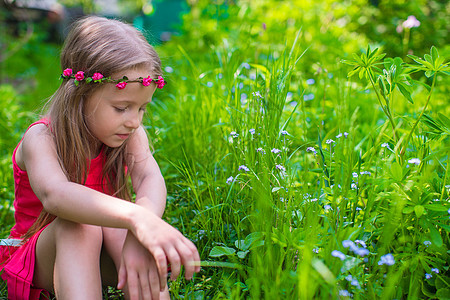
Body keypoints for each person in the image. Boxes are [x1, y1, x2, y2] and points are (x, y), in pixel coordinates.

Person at [0, 15, 200, 300]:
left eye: (142, 109)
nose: (134, 121)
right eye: (122, 108)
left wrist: (141, 226)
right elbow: (57, 196)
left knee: (125, 229)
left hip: (101, 247)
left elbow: (148, 177)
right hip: (40, 258)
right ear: (80, 93)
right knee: (79, 225)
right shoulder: (42, 139)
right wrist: (135, 217)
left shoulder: (130, 133)